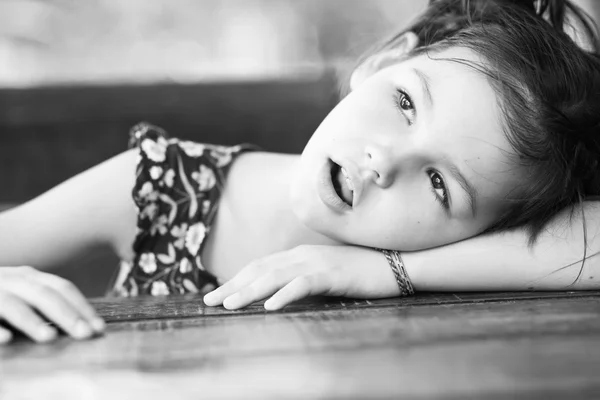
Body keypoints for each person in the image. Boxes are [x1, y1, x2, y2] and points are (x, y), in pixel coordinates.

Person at [1, 0, 599, 344]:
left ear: (483, 232)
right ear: (381, 63)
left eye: (440, 184)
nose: (385, 162)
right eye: (406, 103)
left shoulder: (459, 262)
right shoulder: (165, 185)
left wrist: (392, 273)